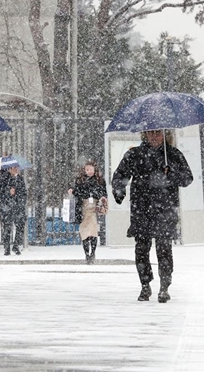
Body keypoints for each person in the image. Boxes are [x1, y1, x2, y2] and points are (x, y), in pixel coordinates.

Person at [112, 129, 193, 303]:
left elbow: (187, 178)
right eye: (150, 133)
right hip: (141, 209)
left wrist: (171, 173)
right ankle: (145, 284)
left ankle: (164, 286)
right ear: (145, 135)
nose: (154, 136)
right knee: (141, 249)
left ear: (165, 134)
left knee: (164, 249)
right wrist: (119, 190)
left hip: (165, 209)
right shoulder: (134, 154)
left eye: (158, 133)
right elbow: (120, 175)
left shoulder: (172, 155)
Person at [68, 160, 108, 264]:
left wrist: (100, 197)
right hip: (83, 209)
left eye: (90, 169)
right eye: (86, 169)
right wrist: (73, 190)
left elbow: (103, 193)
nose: (88, 171)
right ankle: (87, 254)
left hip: (94, 208)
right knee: (84, 232)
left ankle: (92, 252)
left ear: (95, 169)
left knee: (93, 231)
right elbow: (76, 191)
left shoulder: (99, 180)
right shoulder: (80, 180)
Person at [0, 157, 27, 256]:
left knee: (20, 226)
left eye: (16, 167)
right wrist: (8, 192)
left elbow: (24, 193)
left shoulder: (20, 179)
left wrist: (19, 199)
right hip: (7, 207)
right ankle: (7, 248)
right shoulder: (4, 178)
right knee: (7, 228)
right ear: (9, 168)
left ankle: (16, 245)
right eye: (13, 167)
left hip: (18, 206)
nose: (15, 169)